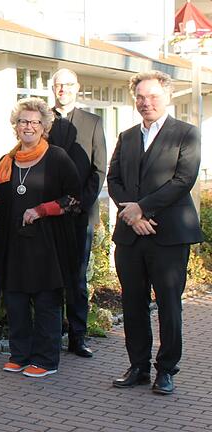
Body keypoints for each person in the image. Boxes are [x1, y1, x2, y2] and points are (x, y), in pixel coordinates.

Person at [108, 71, 201, 395]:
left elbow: (182, 181)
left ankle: (166, 370)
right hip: (131, 235)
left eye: (153, 97)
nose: (146, 103)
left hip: (168, 235)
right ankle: (138, 366)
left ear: (168, 97)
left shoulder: (186, 134)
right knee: (132, 304)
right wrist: (131, 216)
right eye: (141, 97)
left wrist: (142, 209)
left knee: (168, 305)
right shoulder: (128, 135)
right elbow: (113, 178)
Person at [0, 97, 80, 378]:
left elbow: (74, 198)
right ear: (16, 126)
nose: (28, 126)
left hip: (47, 243)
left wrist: (41, 209)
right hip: (15, 243)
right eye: (23, 121)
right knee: (16, 300)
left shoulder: (57, 157)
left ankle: (46, 360)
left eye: (34, 122)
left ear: (44, 126)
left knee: (46, 301)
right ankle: (19, 355)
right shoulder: (7, 161)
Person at [48, 68, 107, 358]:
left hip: (80, 213)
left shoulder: (93, 122)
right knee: (51, 274)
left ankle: (78, 335)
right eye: (59, 85)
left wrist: (78, 203)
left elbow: (99, 169)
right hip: (48, 212)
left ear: (77, 87)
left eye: (69, 85)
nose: (63, 90)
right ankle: (52, 331)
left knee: (77, 277)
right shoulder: (42, 119)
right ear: (53, 88)